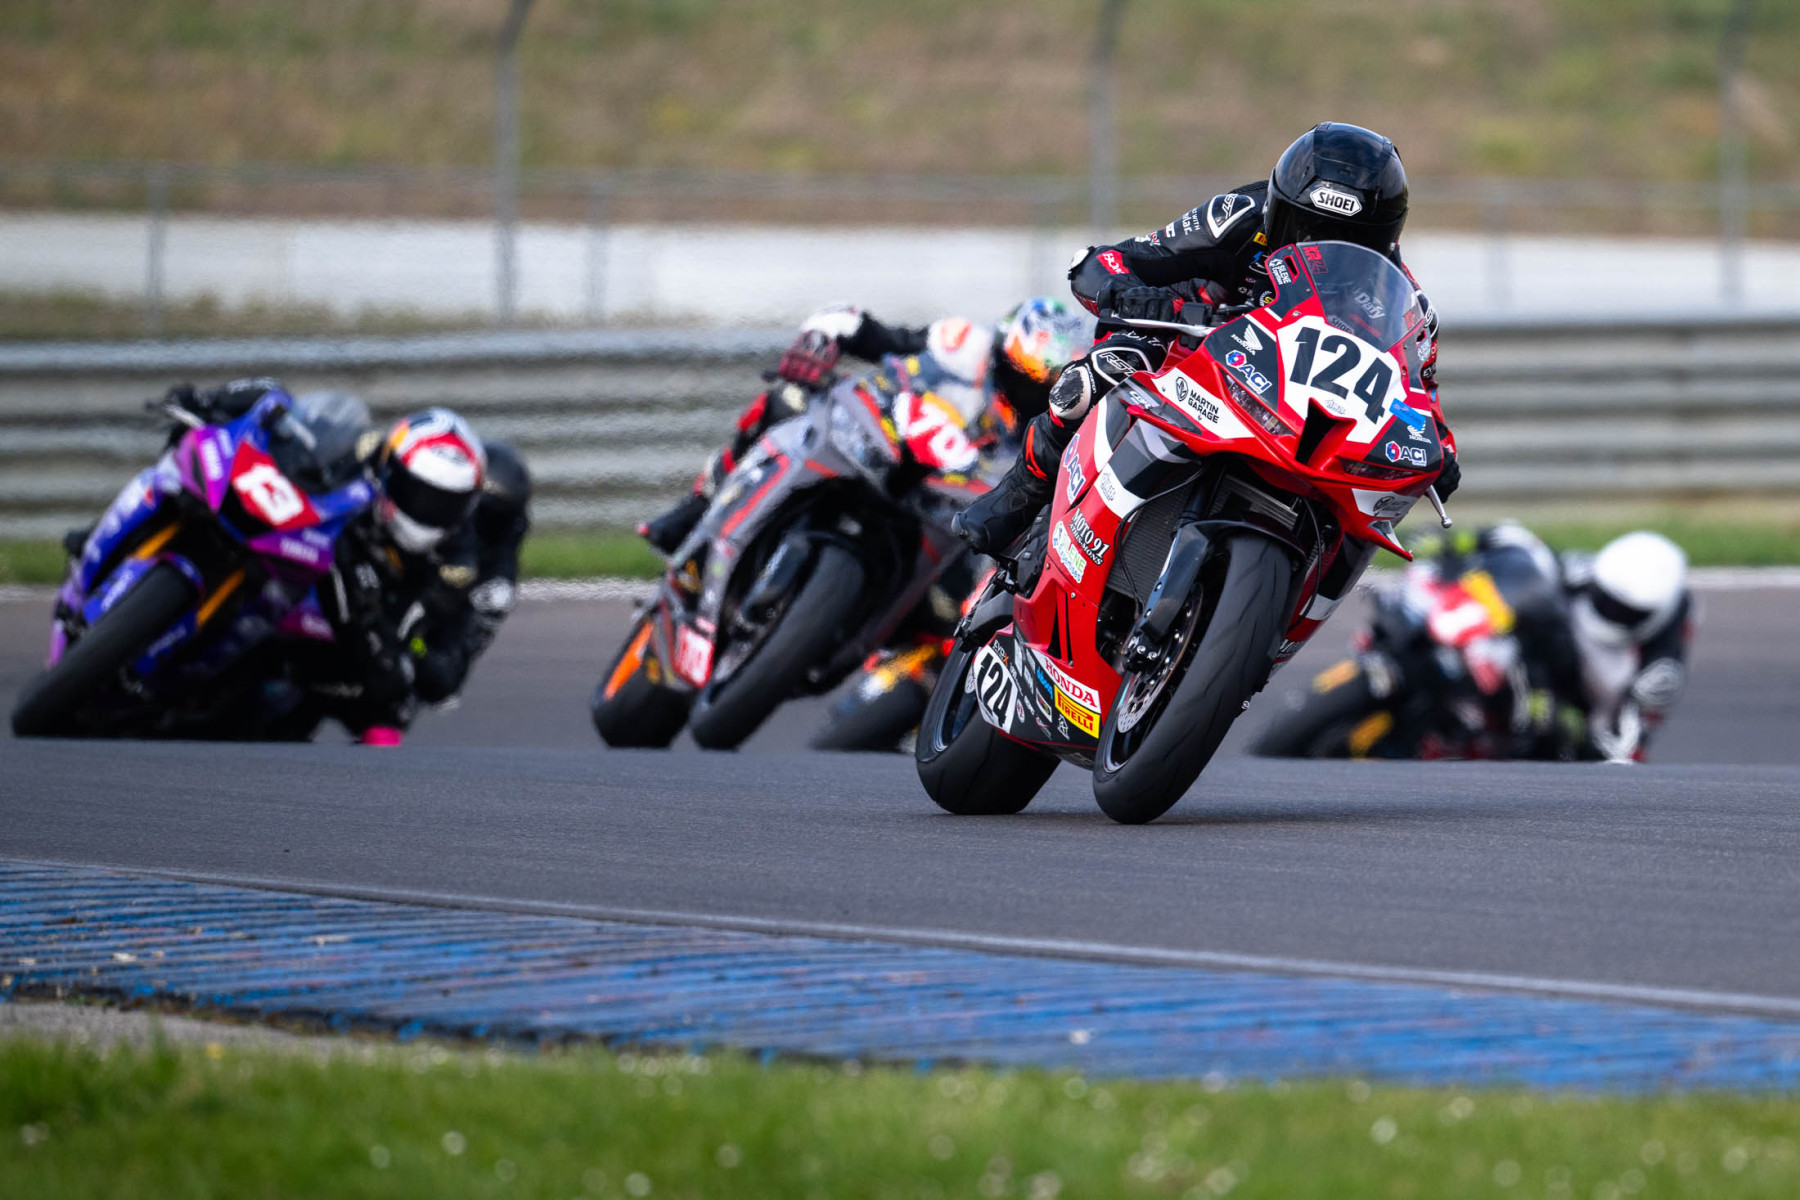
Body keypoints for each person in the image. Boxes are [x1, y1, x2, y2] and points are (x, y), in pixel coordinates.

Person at [954, 122, 1463, 565]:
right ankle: (1021, 493)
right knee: (1106, 369)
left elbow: (1421, 392)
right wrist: (1130, 294)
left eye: (1342, 241)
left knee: (1367, 510)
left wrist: (1440, 451)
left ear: (1381, 243)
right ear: (1279, 208)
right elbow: (1113, 259)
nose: (1315, 249)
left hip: (1291, 401)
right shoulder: (1240, 215)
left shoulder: (1405, 303)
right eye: (1304, 230)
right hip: (1194, 344)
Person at [637, 297, 1094, 554]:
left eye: (1040, 382)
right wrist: (822, 340)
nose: (1025, 386)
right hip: (870, 434)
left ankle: (885, 669)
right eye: (1021, 370)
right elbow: (874, 334)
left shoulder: (1040, 436)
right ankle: (699, 504)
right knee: (787, 400)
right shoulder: (964, 343)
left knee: (956, 593)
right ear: (1003, 348)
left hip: (931, 506)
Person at [310, 410, 532, 744]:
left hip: (392, 650)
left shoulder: (492, 585)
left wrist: (411, 643)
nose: (476, 523)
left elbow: (446, 678)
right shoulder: (419, 502)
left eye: (490, 517)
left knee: (402, 696)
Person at [1410, 523, 1694, 762]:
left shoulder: (1658, 673)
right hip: (1535, 656)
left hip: (1576, 713)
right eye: (1604, 597)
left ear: (1654, 615)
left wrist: (1576, 733)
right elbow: (1521, 542)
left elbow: (1625, 750)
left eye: (1624, 611)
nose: (1609, 609)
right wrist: (1460, 541)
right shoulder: (1585, 572)